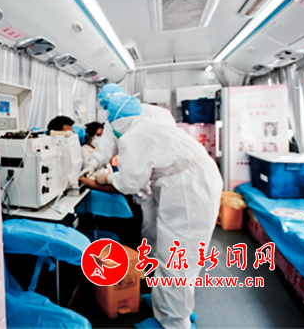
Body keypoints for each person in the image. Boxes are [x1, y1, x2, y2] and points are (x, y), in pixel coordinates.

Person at [92, 86, 223, 329]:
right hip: (192, 180)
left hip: (188, 188)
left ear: (115, 119)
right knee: (172, 252)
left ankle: (174, 322)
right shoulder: (148, 123)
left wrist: (106, 178)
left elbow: (129, 182)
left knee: (178, 259)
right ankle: (166, 306)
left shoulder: (131, 135)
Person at [83, 85, 177, 249]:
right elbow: (105, 147)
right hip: (148, 175)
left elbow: (164, 147)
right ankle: (151, 257)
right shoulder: (115, 119)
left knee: (168, 223)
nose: (109, 111)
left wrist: (109, 178)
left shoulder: (152, 115)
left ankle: (158, 256)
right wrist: (93, 163)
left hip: (166, 174)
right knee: (150, 220)